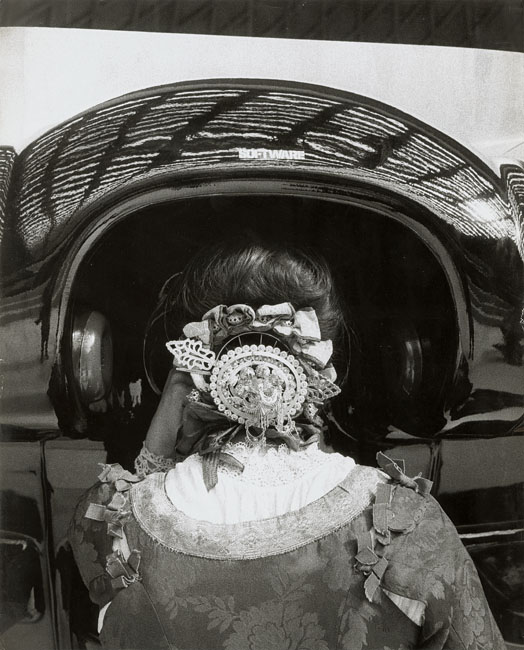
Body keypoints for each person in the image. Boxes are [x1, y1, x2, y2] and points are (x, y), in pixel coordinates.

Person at [69, 239, 504, 650]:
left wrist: (163, 433)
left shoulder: (111, 524)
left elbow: (129, 526)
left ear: (190, 379)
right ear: (321, 369)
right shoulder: (407, 526)